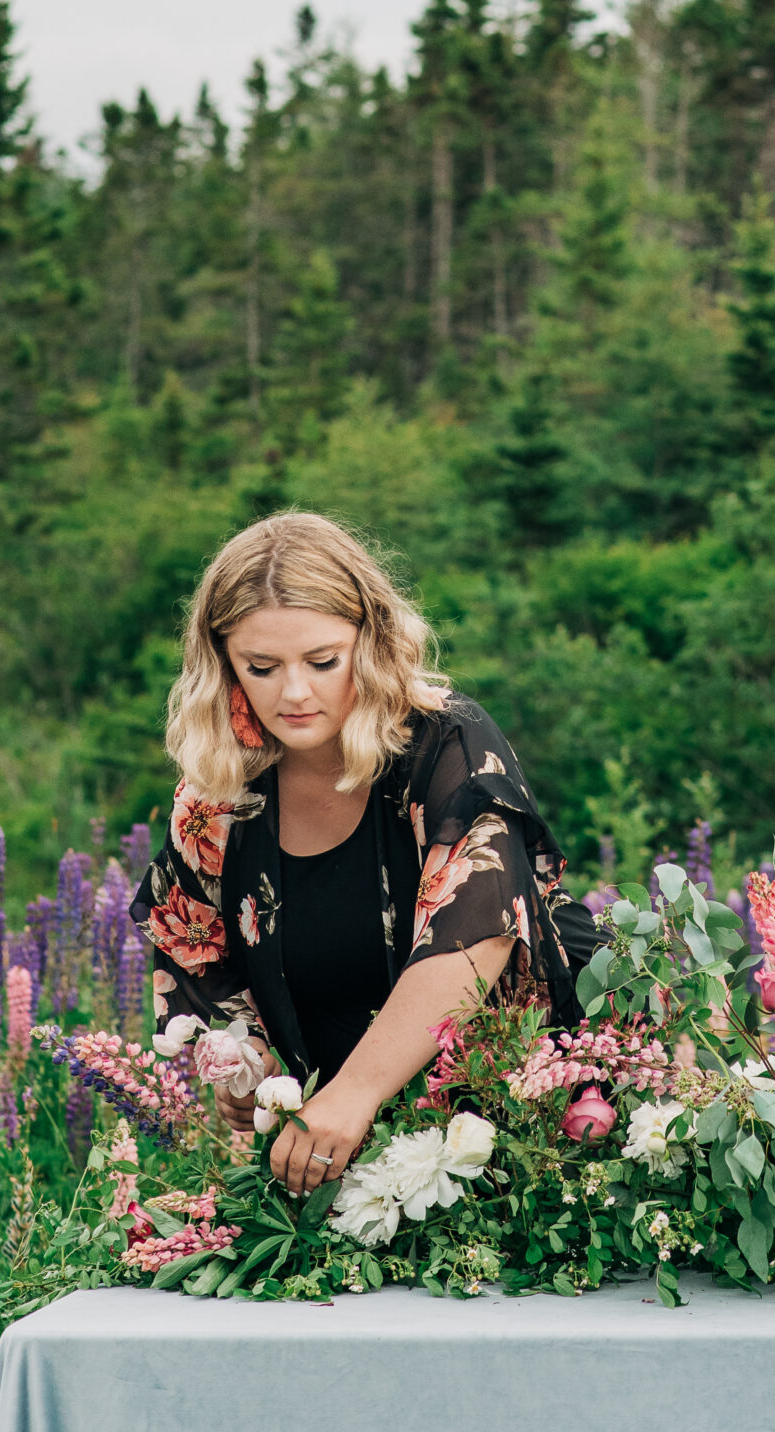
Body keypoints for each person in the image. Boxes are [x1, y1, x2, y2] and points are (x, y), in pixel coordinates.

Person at [129, 512, 595, 1195]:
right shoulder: (218, 797)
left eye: (322, 661)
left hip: (550, 1109)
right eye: (261, 666)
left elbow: (476, 934)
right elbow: (197, 957)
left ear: (370, 641)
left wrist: (355, 1093)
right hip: (362, 1159)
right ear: (223, 662)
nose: (293, 692)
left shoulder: (445, 741)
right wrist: (247, 1064)